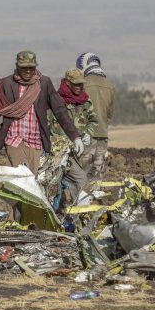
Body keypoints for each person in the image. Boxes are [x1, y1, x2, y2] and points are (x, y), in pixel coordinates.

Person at [0, 51, 83, 175]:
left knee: (33, 179)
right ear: (17, 67)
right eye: (24, 68)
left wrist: (75, 137)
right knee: (22, 176)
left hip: (36, 140)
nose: (28, 71)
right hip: (13, 139)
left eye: (31, 68)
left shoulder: (44, 83)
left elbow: (59, 110)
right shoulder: (5, 83)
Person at [49, 68, 99, 206]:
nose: (79, 87)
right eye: (76, 84)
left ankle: (76, 213)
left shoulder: (85, 101)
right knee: (54, 185)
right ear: (67, 83)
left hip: (79, 152)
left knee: (81, 181)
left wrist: (88, 133)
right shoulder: (56, 101)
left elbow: (93, 120)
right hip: (58, 153)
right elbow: (48, 126)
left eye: (81, 84)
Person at [76, 52, 114, 180]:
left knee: (82, 172)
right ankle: (94, 199)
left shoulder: (82, 84)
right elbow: (110, 114)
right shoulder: (109, 86)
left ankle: (81, 199)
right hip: (103, 136)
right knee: (98, 174)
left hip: (85, 136)